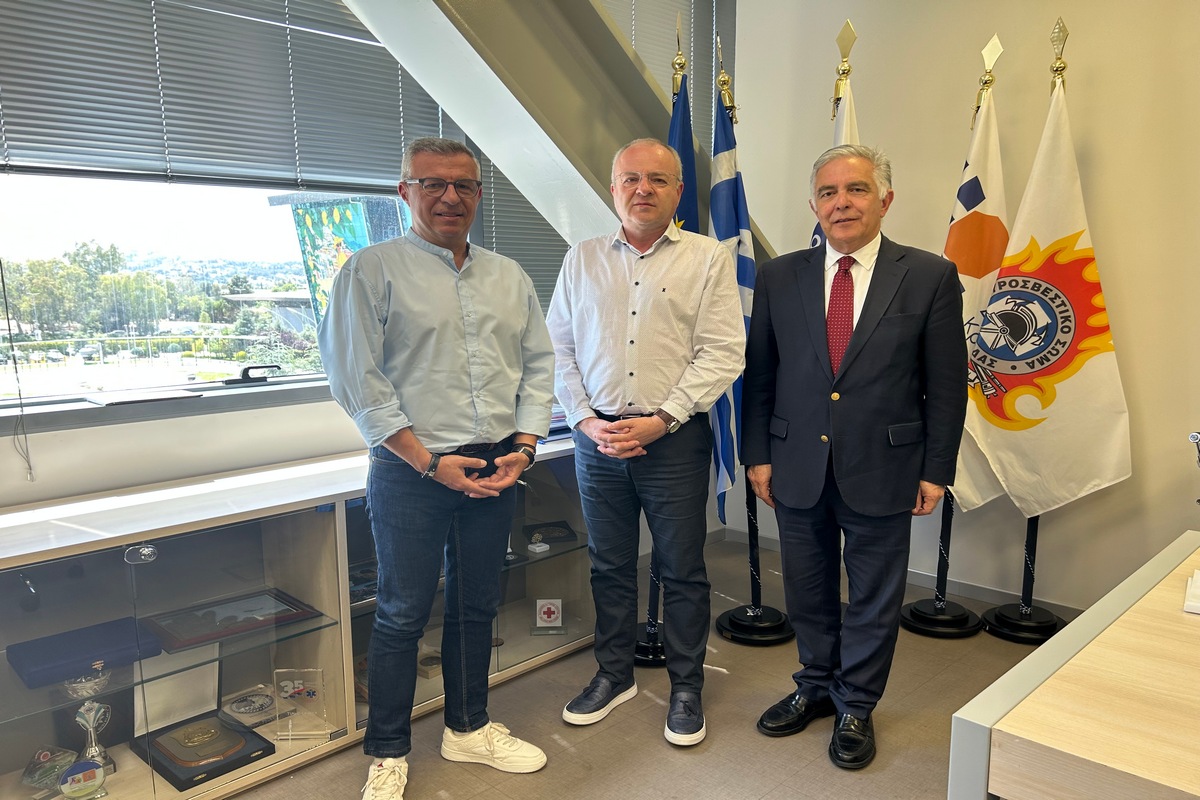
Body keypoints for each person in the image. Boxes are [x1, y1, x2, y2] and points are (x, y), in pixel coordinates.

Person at [317, 137, 555, 799]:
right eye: (433, 184)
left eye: (464, 185)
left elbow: (538, 367)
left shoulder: (509, 276)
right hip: (410, 468)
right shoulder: (370, 271)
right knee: (402, 611)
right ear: (405, 192)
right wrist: (428, 464)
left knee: (477, 603)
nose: (450, 197)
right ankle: (388, 751)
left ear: (478, 193)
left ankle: (468, 728)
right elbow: (357, 381)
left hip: (496, 464)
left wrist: (525, 448)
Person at [741, 144, 967, 770]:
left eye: (857, 189)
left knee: (872, 596)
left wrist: (936, 469)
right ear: (814, 205)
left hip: (886, 466)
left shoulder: (929, 275)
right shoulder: (779, 275)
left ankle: (856, 705)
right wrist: (757, 454)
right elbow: (760, 374)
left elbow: (947, 385)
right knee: (807, 589)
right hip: (795, 465)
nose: (841, 203)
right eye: (828, 192)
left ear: (885, 200)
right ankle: (815, 685)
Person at [546, 138, 745, 746]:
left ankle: (686, 686)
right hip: (597, 440)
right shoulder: (581, 259)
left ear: (678, 191)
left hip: (673, 439)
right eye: (631, 178)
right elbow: (557, 349)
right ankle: (614, 674)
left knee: (681, 568)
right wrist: (585, 421)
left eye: (658, 179)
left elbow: (723, 352)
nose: (643, 189)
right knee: (608, 566)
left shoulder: (708, 258)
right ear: (613, 189)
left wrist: (663, 419)